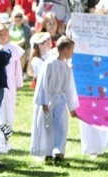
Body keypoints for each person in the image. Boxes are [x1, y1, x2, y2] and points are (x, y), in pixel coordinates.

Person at [30, 36, 79, 164]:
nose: (72, 53)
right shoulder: (49, 64)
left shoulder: (67, 66)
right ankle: (47, 151)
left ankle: (58, 151)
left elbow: (69, 87)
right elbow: (43, 83)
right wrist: (44, 101)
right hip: (49, 98)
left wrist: (72, 107)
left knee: (61, 125)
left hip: (60, 99)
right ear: (65, 50)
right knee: (48, 126)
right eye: (72, 50)